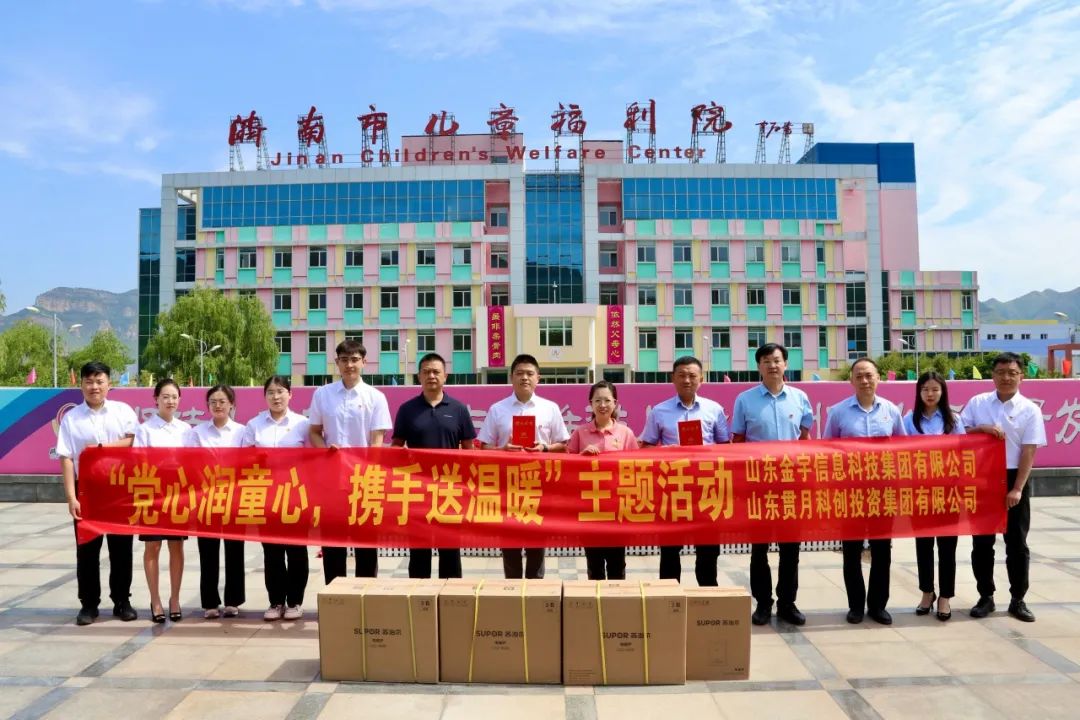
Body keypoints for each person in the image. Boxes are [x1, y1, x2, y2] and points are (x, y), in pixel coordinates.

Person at [961, 352, 1047, 623]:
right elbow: (959, 432)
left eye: (1012, 372)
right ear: (992, 375)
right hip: (982, 478)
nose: (1006, 377)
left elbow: (1029, 451)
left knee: (1017, 543)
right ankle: (985, 597)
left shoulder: (1030, 410)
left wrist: (1017, 488)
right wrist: (982, 429)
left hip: (1013, 478)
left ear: (1022, 376)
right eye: (1000, 372)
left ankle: (1018, 599)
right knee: (982, 542)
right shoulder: (977, 403)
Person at [731, 344, 813, 626]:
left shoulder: (800, 398)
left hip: (791, 485)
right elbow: (738, 441)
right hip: (759, 485)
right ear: (759, 366)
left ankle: (788, 603)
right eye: (766, 361)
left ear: (786, 364)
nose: (772, 365)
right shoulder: (745, 400)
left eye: (777, 360)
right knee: (759, 550)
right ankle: (763, 604)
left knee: (791, 549)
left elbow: (805, 438)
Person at [822, 357, 906, 625]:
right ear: (851, 381)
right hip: (851, 492)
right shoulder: (839, 412)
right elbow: (827, 450)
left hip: (883, 492)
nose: (865, 381)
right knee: (851, 551)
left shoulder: (891, 411)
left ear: (878, 378)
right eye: (859, 376)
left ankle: (878, 606)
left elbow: (904, 448)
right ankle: (856, 606)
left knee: (882, 551)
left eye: (869, 375)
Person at [56, 361, 139, 626]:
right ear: (81, 385)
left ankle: (122, 601)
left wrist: (102, 448)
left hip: (119, 488)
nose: (94, 387)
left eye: (99, 381)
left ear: (108, 384)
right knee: (87, 550)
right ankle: (89, 604)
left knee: (121, 548)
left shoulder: (122, 411)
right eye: (89, 382)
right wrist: (72, 497)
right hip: (87, 491)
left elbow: (133, 440)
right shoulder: (72, 418)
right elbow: (66, 457)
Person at [640, 356, 730, 586]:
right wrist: (665, 451)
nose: (687, 380)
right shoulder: (660, 411)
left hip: (706, 487)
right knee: (670, 549)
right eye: (681, 375)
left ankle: (707, 594)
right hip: (673, 488)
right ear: (673, 378)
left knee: (708, 549)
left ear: (702, 379)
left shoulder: (714, 409)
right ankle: (669, 596)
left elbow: (726, 447)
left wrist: (708, 452)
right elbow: (646, 446)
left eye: (692, 375)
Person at [477, 353, 569, 579]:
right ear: (511, 377)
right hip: (506, 487)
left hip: (538, 486)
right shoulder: (497, 409)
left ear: (538, 378)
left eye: (529, 373)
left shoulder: (550, 408)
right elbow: (484, 446)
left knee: (537, 545)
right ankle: (512, 591)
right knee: (510, 546)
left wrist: (544, 448)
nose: (524, 378)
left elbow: (564, 446)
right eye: (519, 373)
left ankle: (535, 592)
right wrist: (503, 450)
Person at [308, 340, 391, 582]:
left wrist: (368, 473)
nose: (349, 365)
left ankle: (365, 594)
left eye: (354, 360)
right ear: (337, 363)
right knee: (333, 544)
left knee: (366, 544)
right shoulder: (323, 394)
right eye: (344, 360)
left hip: (364, 482)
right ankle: (335, 596)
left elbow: (377, 440)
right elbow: (314, 432)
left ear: (364, 362)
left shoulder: (376, 397)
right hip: (332, 480)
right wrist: (326, 451)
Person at [391, 352, 477, 579]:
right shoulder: (407, 409)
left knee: (450, 551)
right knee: (419, 551)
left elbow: (469, 449)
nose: (431, 376)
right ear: (419, 376)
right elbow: (397, 445)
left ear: (445, 376)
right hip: (417, 491)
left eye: (436, 372)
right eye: (426, 372)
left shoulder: (458, 409)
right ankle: (419, 595)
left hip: (449, 490)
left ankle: (450, 595)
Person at [242, 375, 310, 621]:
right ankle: (276, 601)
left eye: (280, 391)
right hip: (267, 496)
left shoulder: (303, 424)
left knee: (296, 551)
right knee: (272, 552)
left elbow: (314, 459)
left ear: (290, 394)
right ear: (265, 396)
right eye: (270, 392)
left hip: (296, 496)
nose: (276, 397)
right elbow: (244, 459)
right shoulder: (255, 425)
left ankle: (295, 601)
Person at [904, 371, 965, 622]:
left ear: (943, 392)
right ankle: (927, 593)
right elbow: (901, 452)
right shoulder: (909, 420)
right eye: (925, 389)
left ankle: (945, 597)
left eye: (935, 389)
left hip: (948, 492)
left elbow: (963, 452)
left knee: (948, 547)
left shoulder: (954, 420)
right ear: (919, 392)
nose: (930, 394)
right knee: (924, 545)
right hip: (920, 492)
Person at [184, 384, 246, 619]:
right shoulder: (198, 432)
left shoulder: (242, 431)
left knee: (234, 550)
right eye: (213, 402)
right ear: (207, 405)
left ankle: (233, 600)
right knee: (208, 550)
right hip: (206, 498)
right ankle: (210, 602)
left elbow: (248, 463)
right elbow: (190, 463)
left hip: (234, 497)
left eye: (222, 401)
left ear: (232, 404)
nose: (218, 406)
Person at [566, 380, 639, 580]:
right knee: (594, 565)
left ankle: (617, 600)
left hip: (617, 509)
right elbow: (567, 467)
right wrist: (581, 456)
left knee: (617, 565)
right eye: (597, 400)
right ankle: (595, 600)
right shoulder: (580, 432)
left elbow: (636, 467)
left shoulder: (625, 433)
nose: (602, 405)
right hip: (590, 509)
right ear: (590, 403)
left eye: (607, 400)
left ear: (615, 403)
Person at [134, 378, 190, 623]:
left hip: (178, 495)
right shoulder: (145, 429)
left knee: (176, 546)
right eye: (165, 396)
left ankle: (174, 598)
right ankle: (155, 600)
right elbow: (138, 461)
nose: (170, 401)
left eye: (174, 397)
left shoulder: (186, 430)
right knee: (152, 547)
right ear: (155, 399)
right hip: (152, 495)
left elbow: (192, 462)